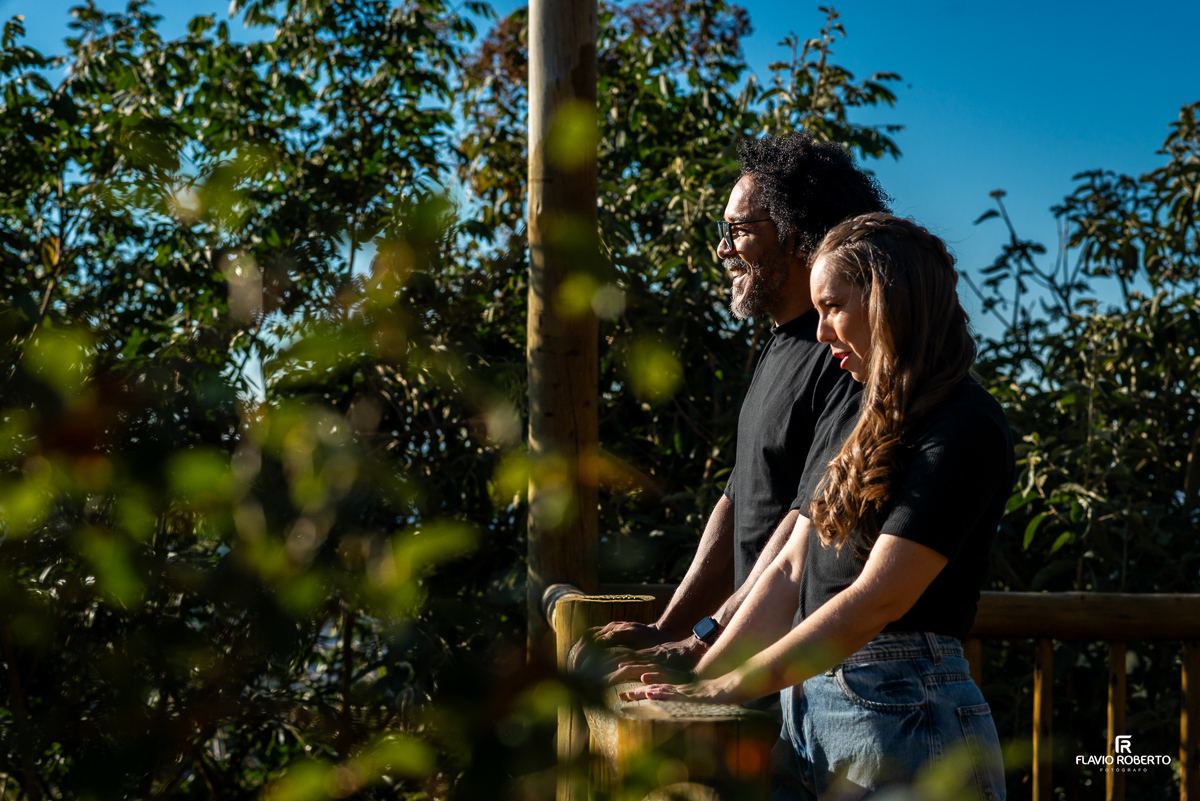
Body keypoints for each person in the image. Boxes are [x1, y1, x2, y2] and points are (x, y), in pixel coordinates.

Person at [620, 213, 1013, 800]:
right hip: (809, 713)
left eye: (833, 306)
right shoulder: (859, 418)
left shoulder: (966, 425)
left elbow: (878, 596)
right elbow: (787, 569)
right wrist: (696, 685)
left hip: (906, 713)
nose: (823, 333)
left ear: (889, 300)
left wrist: (723, 689)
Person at [593, 132, 890, 671]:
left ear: (798, 237)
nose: (722, 248)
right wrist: (671, 626)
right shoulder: (781, 345)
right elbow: (740, 499)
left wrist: (703, 642)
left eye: (739, 230)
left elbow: (805, 522)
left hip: (808, 668)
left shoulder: (848, 357)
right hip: (750, 664)